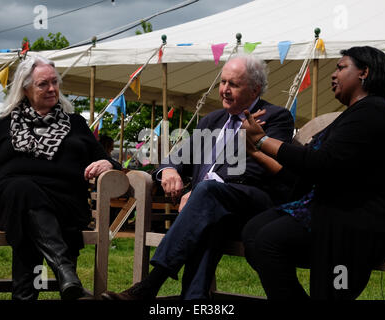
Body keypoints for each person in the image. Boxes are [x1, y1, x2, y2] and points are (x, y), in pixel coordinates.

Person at [102, 54, 295, 300]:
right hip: (216, 212)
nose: (224, 89)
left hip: (255, 207)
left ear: (255, 88)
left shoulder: (275, 117)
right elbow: (179, 156)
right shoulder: (211, 120)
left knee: (207, 195)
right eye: (222, 82)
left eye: (233, 84)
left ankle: (150, 284)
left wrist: (202, 191)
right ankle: (194, 301)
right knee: (212, 222)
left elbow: (256, 171)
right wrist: (170, 169)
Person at [241, 46, 385, 300]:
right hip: (332, 211)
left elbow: (320, 163)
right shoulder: (351, 116)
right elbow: (304, 175)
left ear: (364, 72)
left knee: (268, 240)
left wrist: (264, 141)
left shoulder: (373, 112)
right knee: (255, 233)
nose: (333, 75)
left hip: (362, 221)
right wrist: (256, 151)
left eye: (341, 67)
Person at [0, 55, 122, 300]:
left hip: (63, 204)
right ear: (25, 88)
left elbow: (111, 162)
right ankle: (65, 270)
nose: (52, 89)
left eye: (55, 82)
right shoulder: (5, 123)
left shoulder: (75, 123)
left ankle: (25, 295)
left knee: (25, 208)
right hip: (10, 199)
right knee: (22, 190)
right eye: (43, 84)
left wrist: (106, 162)